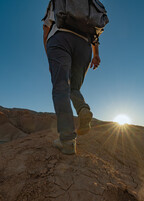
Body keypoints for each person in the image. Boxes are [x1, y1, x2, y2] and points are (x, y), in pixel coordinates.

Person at [42, 1, 102, 155]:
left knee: (61, 86)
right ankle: (83, 109)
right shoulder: (90, 3)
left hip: (61, 39)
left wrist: (49, 56)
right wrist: (96, 55)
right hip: (84, 46)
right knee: (74, 87)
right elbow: (95, 33)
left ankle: (67, 140)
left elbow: (46, 28)